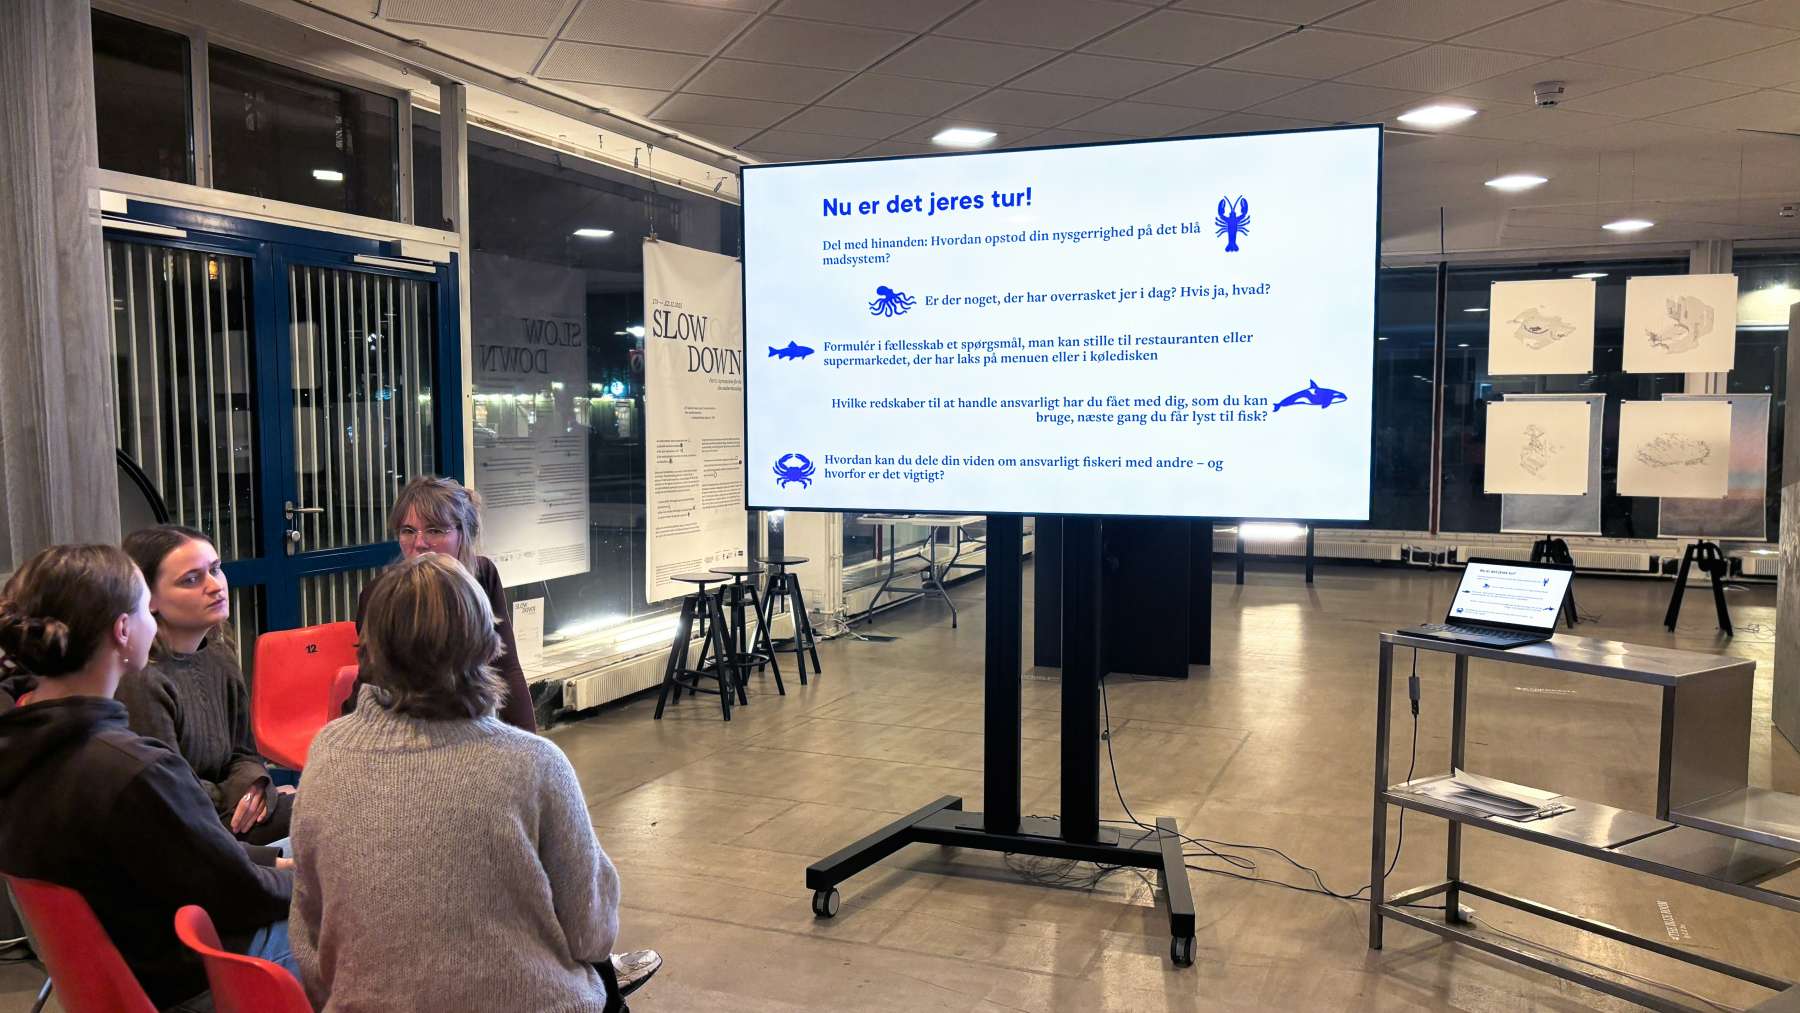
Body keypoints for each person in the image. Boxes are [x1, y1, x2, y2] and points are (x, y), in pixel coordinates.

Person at [291, 554, 656, 1011]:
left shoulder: (327, 753)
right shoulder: (535, 765)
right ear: (486, 647)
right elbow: (592, 933)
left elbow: (310, 941)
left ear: (369, 649)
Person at [0, 545, 294, 1011]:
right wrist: (314, 882)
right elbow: (239, 896)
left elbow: (185, 853)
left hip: (126, 969)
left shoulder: (24, 741)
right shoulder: (130, 769)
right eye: (145, 610)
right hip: (196, 976)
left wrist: (271, 862)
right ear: (123, 630)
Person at [117, 525, 292, 844]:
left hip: (221, 814)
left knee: (332, 806)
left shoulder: (220, 654)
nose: (215, 586)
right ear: (149, 599)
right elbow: (170, 793)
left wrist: (254, 786)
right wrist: (237, 797)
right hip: (179, 831)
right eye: (191, 579)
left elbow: (243, 752)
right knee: (325, 813)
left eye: (215, 569)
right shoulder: (142, 679)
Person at [344, 476, 536, 732]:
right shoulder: (380, 594)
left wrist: (531, 740)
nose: (419, 543)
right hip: (403, 725)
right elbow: (372, 684)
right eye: (408, 531)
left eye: (434, 530)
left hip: (470, 718)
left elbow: (506, 666)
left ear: (463, 533)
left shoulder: (482, 575)